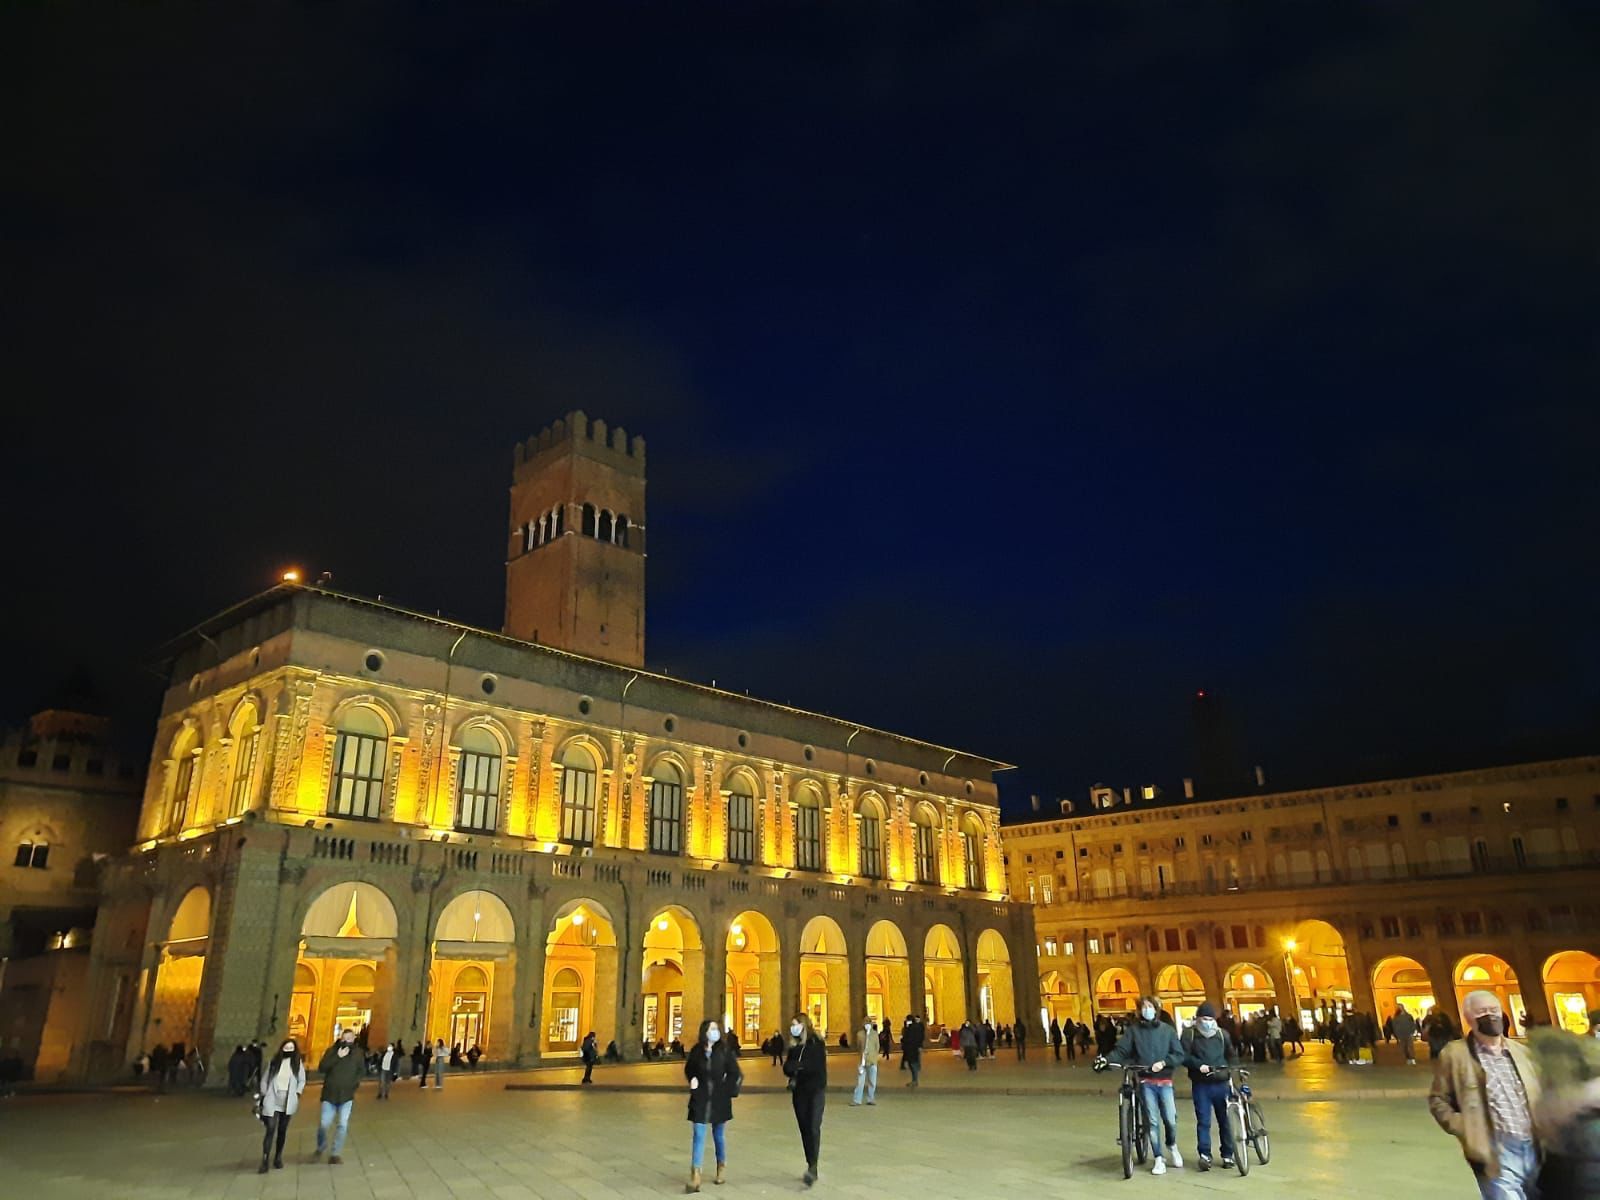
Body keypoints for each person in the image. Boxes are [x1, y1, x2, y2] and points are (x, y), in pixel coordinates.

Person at [1429, 990, 1543, 1199]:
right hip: (1494, 1149)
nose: (1491, 1015)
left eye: (1494, 1010)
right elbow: (1439, 1099)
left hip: (1534, 1145)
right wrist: (1464, 1127)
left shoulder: (1521, 1052)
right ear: (1469, 1018)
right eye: (1483, 1011)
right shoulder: (1455, 1054)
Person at [1096, 996, 1188, 1175]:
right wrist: (1105, 1060)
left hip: (1165, 1080)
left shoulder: (1167, 1031)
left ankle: (1171, 1145)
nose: (1146, 1010)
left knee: (1170, 1119)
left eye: (1149, 1006)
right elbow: (1122, 1050)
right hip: (1146, 1081)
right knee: (1152, 1121)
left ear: (1156, 1009)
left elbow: (1179, 1054)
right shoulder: (1133, 1031)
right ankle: (1159, 1158)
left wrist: (1164, 1062)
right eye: (1143, 1007)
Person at [684, 1017, 743, 1192]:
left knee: (718, 1135)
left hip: (719, 1098)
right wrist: (692, 1079)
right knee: (699, 1134)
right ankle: (695, 1175)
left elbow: (735, 1073)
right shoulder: (697, 1051)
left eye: (716, 1029)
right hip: (700, 1097)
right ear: (704, 1032)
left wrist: (727, 1090)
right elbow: (689, 1068)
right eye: (711, 1029)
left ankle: (721, 1167)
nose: (714, 1032)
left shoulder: (724, 1051)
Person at [1183, 1003, 1239, 1171]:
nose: (1207, 1022)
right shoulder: (1189, 1035)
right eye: (1204, 1019)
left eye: (1210, 1019)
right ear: (1198, 1019)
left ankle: (1228, 1154)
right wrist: (1198, 1065)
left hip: (1221, 1083)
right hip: (1201, 1084)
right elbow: (1183, 1056)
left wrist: (1231, 1069)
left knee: (1225, 1121)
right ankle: (1205, 1154)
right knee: (1204, 1121)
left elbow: (1231, 1054)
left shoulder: (1222, 1035)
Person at [784, 1012, 828, 1187]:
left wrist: (799, 1066)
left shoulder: (816, 1044)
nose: (793, 1028)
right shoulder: (794, 1047)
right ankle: (810, 1161)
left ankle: (813, 1166)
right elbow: (787, 1067)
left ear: (804, 1026)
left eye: (796, 1024)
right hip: (799, 1093)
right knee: (804, 1128)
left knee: (813, 1126)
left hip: (816, 1091)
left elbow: (816, 1067)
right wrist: (796, 1067)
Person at [313, 1027, 364, 1165]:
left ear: (354, 1039)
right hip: (330, 1095)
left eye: (349, 1039)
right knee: (324, 1124)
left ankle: (335, 1154)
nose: (347, 1041)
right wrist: (337, 1057)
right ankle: (321, 1145)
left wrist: (354, 1084)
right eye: (344, 1038)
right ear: (341, 1038)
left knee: (342, 1124)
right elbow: (322, 1067)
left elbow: (361, 1071)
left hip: (347, 1096)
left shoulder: (358, 1053)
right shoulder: (332, 1051)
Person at [255, 1037, 306, 1173]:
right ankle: (265, 1160)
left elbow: (302, 1080)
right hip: (272, 1099)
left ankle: (278, 1157)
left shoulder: (297, 1064)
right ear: (282, 1048)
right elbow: (264, 1079)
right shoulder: (274, 1062)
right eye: (286, 1047)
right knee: (270, 1128)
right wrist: (264, 1093)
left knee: (282, 1130)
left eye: (291, 1048)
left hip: (288, 1101)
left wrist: (297, 1093)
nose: (288, 1050)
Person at [852, 1015, 880, 1106]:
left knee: (872, 1081)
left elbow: (877, 1047)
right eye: (865, 1022)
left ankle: (870, 1099)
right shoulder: (860, 1034)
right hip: (862, 1061)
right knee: (860, 1081)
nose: (867, 1024)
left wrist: (873, 1056)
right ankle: (857, 1100)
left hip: (872, 1061)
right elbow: (858, 1046)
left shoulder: (875, 1034)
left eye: (869, 1022)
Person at [902, 1013, 925, 1089]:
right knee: (911, 1064)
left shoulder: (915, 1027)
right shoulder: (910, 1027)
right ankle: (914, 1080)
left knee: (913, 1064)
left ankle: (915, 1080)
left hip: (913, 1048)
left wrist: (919, 1046)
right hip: (910, 1048)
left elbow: (916, 1037)